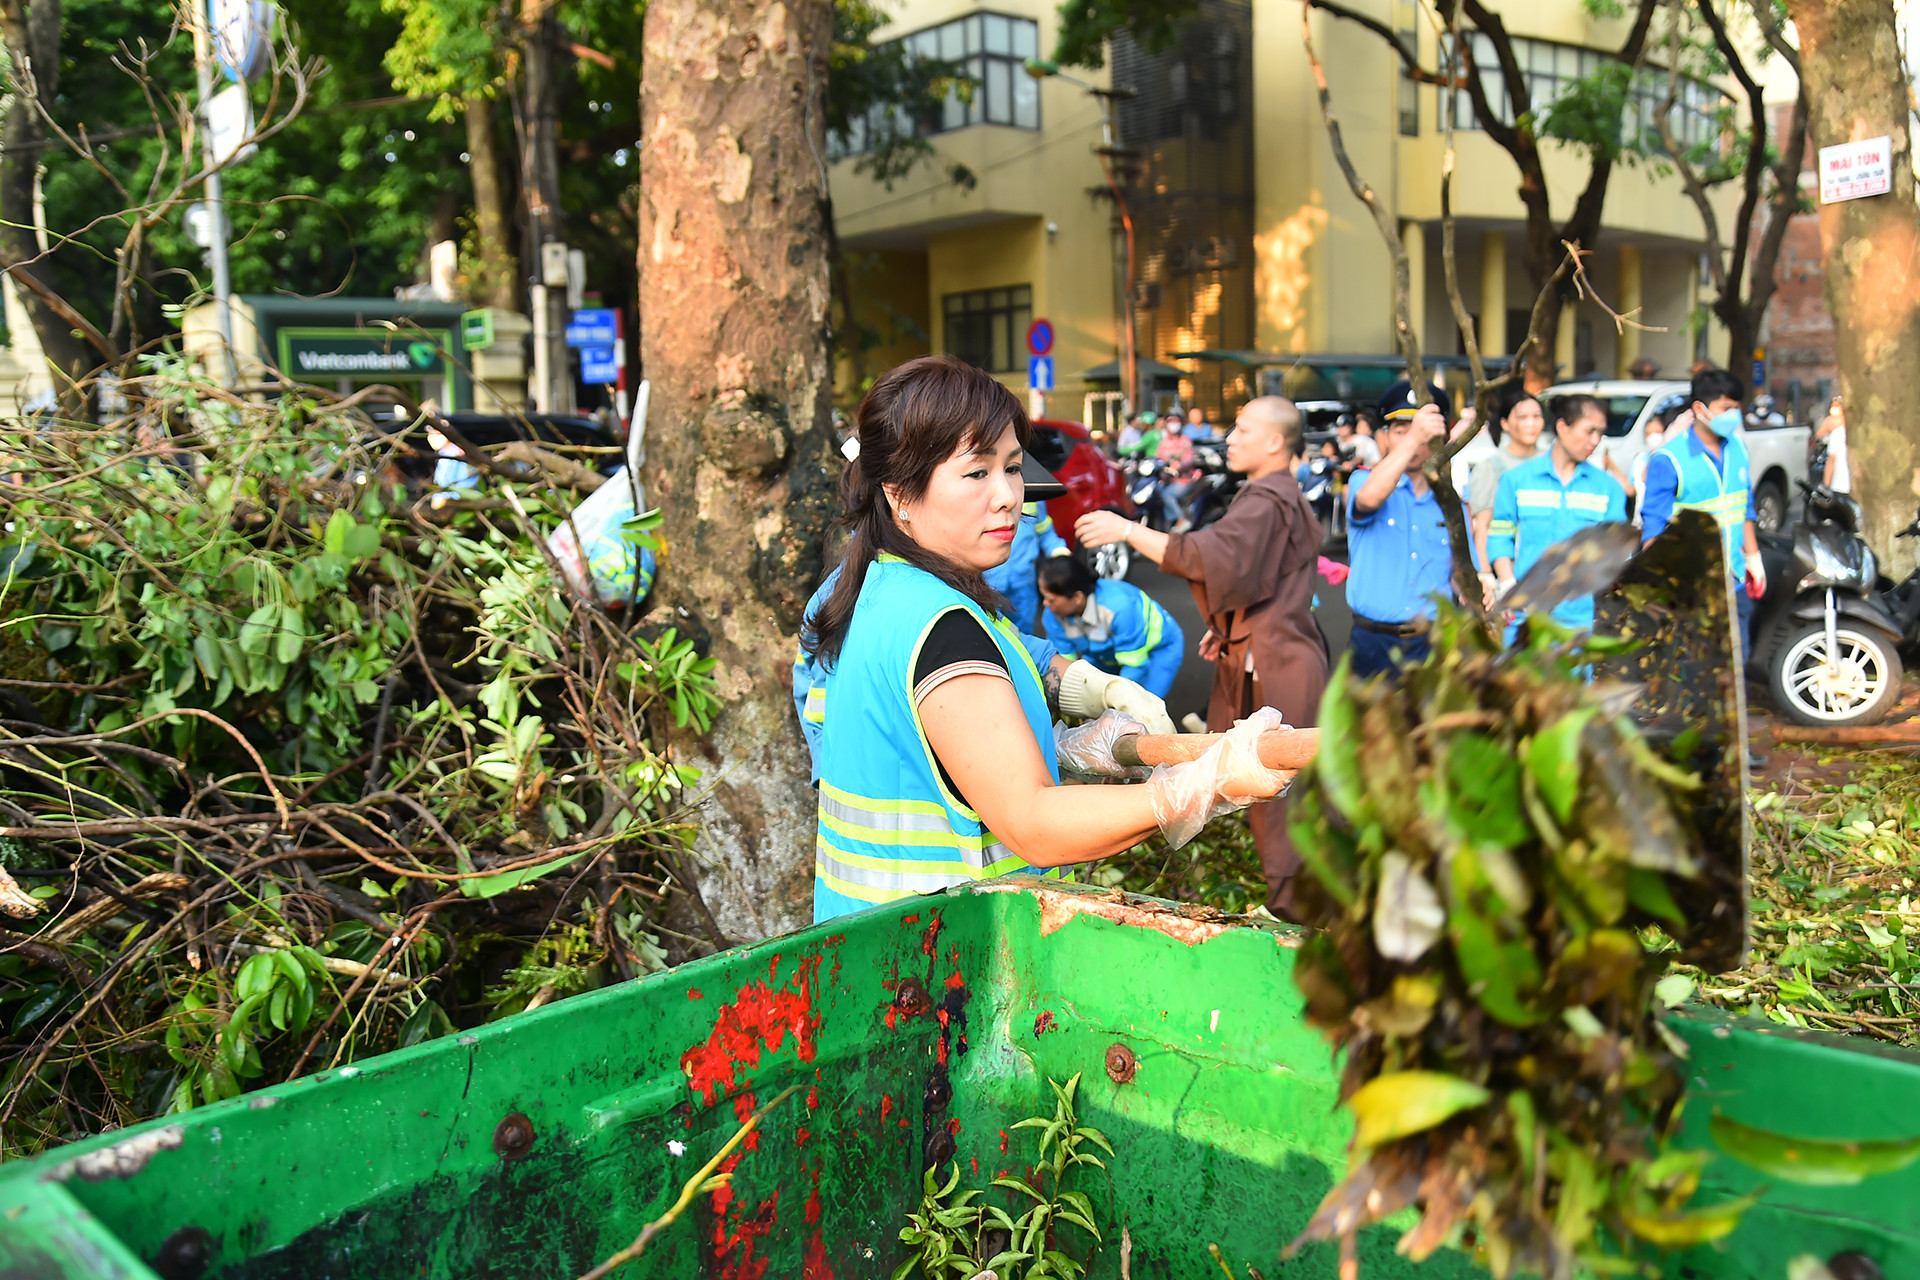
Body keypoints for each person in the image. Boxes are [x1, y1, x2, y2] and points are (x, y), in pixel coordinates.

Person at [804, 355, 1289, 923]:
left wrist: (1070, 739)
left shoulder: (872, 585)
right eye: (977, 472)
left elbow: (928, 745)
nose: (1010, 495)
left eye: (1012, 467)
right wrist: (1205, 784)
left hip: (868, 948)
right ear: (899, 494)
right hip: (942, 965)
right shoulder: (943, 628)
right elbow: (1036, 825)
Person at [1074, 396, 1327, 920]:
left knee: (1278, 794)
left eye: (1242, 428)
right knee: (1280, 790)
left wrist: (1126, 530)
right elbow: (1262, 579)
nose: (1230, 438)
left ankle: (1296, 920)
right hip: (1277, 649)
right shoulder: (1280, 495)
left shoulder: (1265, 500)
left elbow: (1208, 556)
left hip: (1278, 662)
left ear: (1275, 441)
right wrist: (1229, 627)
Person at [1640, 366, 1764, 654]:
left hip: (1733, 579)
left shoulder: (1738, 449)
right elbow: (1654, 527)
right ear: (1699, 408)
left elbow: (1744, 508)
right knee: (1694, 666)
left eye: (1737, 408)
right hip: (1690, 584)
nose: (1734, 415)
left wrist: (1753, 559)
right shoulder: (1669, 459)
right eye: (1726, 408)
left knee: (1736, 664)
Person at [1486, 394, 1629, 629]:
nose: (1595, 441)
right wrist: (1509, 585)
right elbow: (1500, 536)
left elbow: (1617, 552)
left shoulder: (1608, 488)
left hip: (1584, 619)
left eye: (1600, 433)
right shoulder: (1517, 480)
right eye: (1589, 431)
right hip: (1527, 615)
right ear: (1562, 427)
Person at [1344, 385, 1455, 678]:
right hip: (1373, 643)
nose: (1412, 440)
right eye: (1400, 430)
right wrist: (1415, 437)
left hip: (1434, 643)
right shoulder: (1362, 481)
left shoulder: (1453, 502)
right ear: (1384, 437)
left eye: (1419, 432)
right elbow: (1368, 500)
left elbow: (1460, 576)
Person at [1037, 556, 1186, 699]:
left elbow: (1134, 665)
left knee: (1142, 705)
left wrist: (1116, 701)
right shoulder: (1053, 614)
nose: (1045, 604)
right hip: (1105, 655)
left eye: (1051, 599)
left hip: (1157, 650)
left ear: (1077, 597)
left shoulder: (1120, 608)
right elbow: (1063, 666)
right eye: (1044, 597)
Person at [1468, 388, 1546, 595]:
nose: (1531, 423)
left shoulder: (1553, 462)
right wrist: (1485, 574)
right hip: (1509, 573)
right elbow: (1483, 525)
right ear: (1505, 423)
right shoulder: (1492, 467)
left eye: (1537, 416)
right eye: (1522, 417)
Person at [983, 500, 1069, 632]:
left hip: (1024, 582)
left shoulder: (1034, 498)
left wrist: (1060, 553)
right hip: (988, 581)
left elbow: (1045, 531)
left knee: (1023, 633)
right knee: (990, 631)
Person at [1153, 426, 1199, 530]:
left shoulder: (1185, 441)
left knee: (1167, 495)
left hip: (1184, 480)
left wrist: (1179, 465)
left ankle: (1181, 519)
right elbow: (1157, 458)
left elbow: (1190, 460)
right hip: (1166, 480)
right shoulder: (1163, 442)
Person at [1819, 396, 1849, 494]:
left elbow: (1831, 461)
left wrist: (1826, 485)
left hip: (1840, 486)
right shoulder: (1838, 430)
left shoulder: (1837, 432)